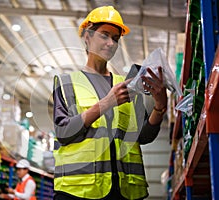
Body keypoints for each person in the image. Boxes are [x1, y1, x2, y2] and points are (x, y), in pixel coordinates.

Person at [53, 5, 168, 200]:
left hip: (124, 191)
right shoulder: (66, 83)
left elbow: (143, 136)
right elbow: (63, 132)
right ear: (87, 36)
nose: (110, 43)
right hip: (78, 191)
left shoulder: (128, 85)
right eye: (104, 35)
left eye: (115, 38)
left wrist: (160, 106)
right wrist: (106, 103)